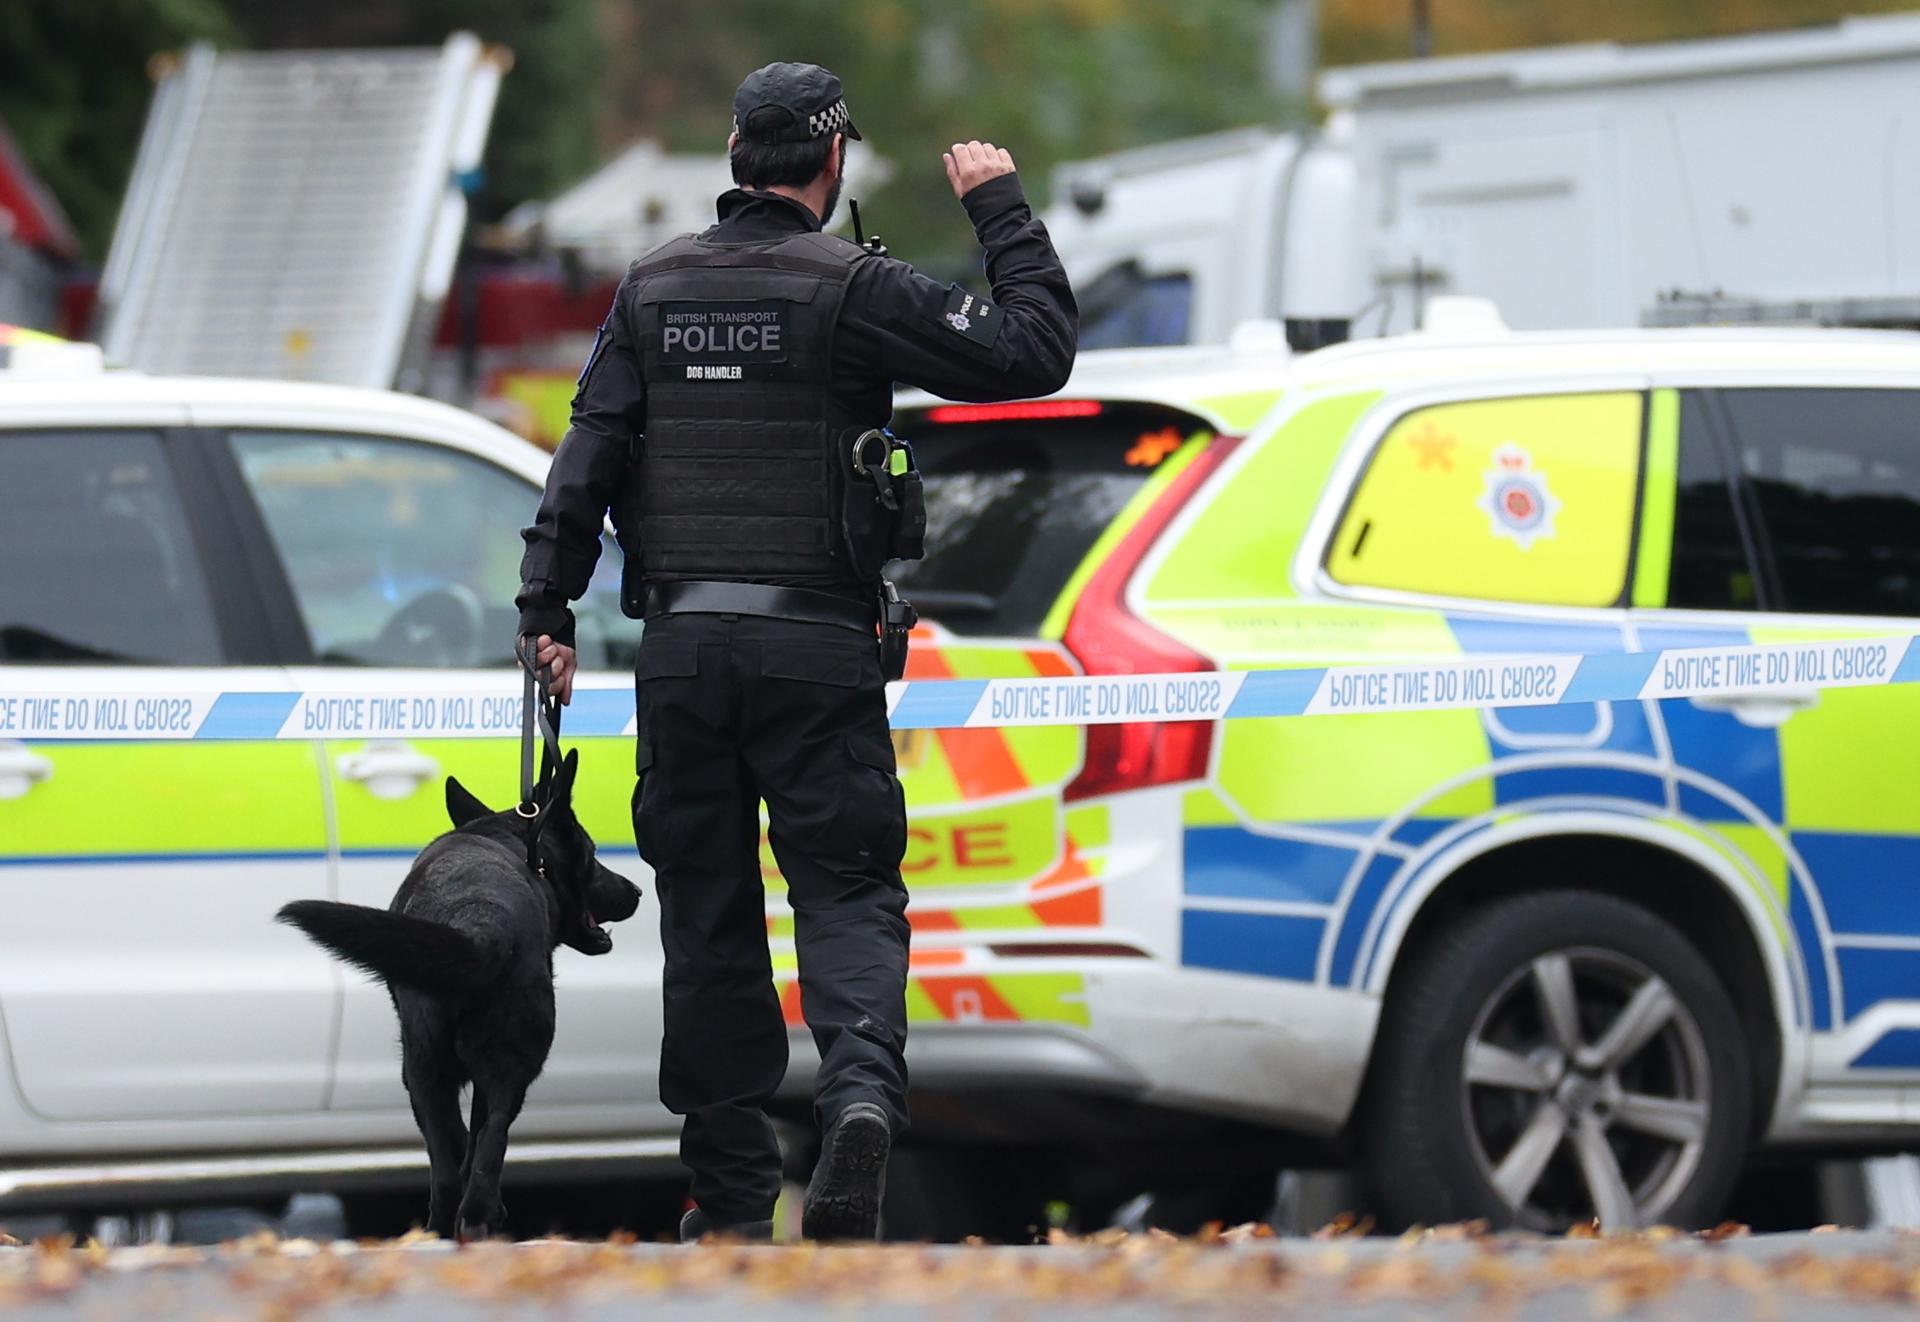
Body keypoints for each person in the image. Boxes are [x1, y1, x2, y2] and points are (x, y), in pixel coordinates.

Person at [515, 60, 1077, 1242]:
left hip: (682, 653)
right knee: (847, 890)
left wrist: (546, 610)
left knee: (708, 919)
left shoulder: (653, 287)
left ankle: (727, 1200)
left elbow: (588, 453)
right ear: (831, 165)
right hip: (816, 648)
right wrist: (1001, 208)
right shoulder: (851, 286)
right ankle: (861, 1101)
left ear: (734, 155)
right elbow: (1034, 349)